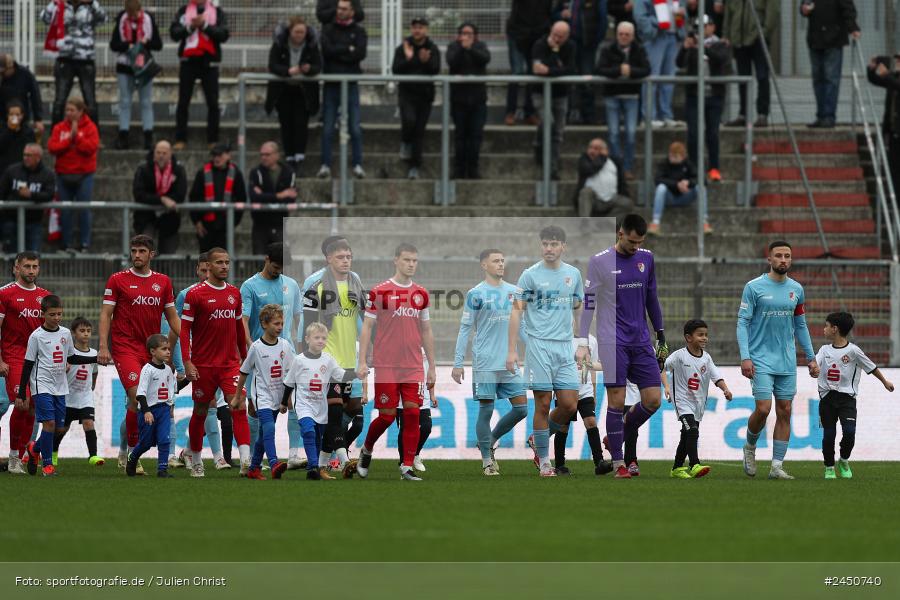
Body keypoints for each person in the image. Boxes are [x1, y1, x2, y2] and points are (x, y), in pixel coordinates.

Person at [577, 214, 666, 479]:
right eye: (631, 241)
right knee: (616, 400)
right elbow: (589, 302)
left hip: (641, 340)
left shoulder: (646, 258)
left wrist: (660, 334)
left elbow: (652, 296)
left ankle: (618, 433)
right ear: (620, 233)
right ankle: (619, 463)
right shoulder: (599, 261)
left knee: (653, 400)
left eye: (640, 242)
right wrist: (583, 341)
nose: (635, 247)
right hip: (611, 339)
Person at [737, 240, 818, 480]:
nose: (784, 260)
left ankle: (776, 466)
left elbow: (800, 325)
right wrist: (745, 357)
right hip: (760, 359)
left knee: (785, 410)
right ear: (769, 259)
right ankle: (750, 448)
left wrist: (811, 358)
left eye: (787, 256)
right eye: (779, 256)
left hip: (786, 360)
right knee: (763, 409)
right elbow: (742, 323)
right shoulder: (753, 287)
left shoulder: (797, 289)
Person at [355, 243, 436, 481]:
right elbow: (367, 326)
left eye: (414, 260)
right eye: (407, 260)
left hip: (412, 365)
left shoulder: (421, 293)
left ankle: (406, 466)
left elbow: (427, 329)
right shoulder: (380, 292)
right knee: (387, 416)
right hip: (386, 364)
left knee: (412, 414)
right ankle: (366, 449)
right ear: (396, 260)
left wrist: (431, 366)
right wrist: (362, 361)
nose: (411, 264)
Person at [99, 235, 179, 475]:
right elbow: (105, 314)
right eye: (133, 250)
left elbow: (173, 317)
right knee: (137, 398)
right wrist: (104, 346)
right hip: (125, 348)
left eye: (142, 251)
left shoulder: (163, 282)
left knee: (140, 407)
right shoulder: (118, 280)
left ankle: (125, 451)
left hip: (151, 350)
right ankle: (135, 454)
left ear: (151, 254)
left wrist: (188, 341)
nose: (136, 255)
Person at [506, 226, 583, 477]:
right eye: (545, 244)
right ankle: (545, 460)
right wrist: (512, 350)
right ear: (541, 246)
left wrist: (580, 340)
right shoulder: (530, 275)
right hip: (539, 345)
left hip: (564, 346)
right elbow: (516, 311)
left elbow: (579, 306)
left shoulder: (573, 274)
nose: (549, 249)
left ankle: (536, 440)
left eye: (554, 244)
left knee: (570, 405)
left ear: (563, 247)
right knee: (543, 404)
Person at [452, 249, 529, 477]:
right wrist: (458, 363)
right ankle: (486, 459)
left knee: (521, 408)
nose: (501, 264)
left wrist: (534, 349)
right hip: (485, 361)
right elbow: (465, 328)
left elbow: (521, 326)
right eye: (496, 261)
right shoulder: (476, 294)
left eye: (503, 260)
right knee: (486, 410)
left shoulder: (515, 291)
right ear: (484, 265)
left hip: (509, 361)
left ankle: (490, 441)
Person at [180, 247, 252, 477]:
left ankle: (246, 461)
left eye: (227, 262)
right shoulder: (195, 295)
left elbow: (240, 329)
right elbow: (184, 332)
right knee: (201, 410)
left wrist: (245, 358)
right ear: (208, 266)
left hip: (230, 364)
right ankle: (197, 460)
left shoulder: (234, 293)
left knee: (239, 405)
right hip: (203, 366)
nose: (224, 266)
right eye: (219, 262)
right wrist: (187, 362)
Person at [161, 252, 233, 470]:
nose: (205, 274)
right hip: (190, 359)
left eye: (207, 270)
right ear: (199, 270)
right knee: (172, 406)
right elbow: (176, 329)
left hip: (213, 360)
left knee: (208, 406)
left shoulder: (226, 293)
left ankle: (201, 454)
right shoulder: (187, 295)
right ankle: (177, 454)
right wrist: (176, 360)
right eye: (202, 270)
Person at [300, 238, 365, 476]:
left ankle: (320, 464)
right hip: (326, 360)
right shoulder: (316, 286)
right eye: (340, 257)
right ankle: (344, 458)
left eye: (348, 256)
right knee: (335, 412)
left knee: (346, 412)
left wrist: (363, 306)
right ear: (328, 258)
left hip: (350, 358)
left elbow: (369, 319)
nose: (345, 260)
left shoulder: (355, 281)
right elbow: (307, 326)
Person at [241, 243, 304, 469]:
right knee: (256, 409)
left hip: (287, 355)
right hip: (261, 357)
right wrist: (251, 346)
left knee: (295, 402)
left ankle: (294, 454)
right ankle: (251, 458)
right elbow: (244, 320)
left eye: (282, 268)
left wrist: (302, 347)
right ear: (266, 259)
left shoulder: (291, 285)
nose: (278, 271)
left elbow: (299, 318)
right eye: (276, 266)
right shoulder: (250, 286)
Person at [816, 312, 895, 480]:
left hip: (847, 400)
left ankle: (843, 460)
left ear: (835, 329)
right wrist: (813, 369)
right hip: (827, 399)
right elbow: (815, 364)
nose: (824, 329)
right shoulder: (824, 350)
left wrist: (884, 381)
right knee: (829, 435)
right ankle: (829, 467)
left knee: (849, 432)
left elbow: (871, 367)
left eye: (827, 326)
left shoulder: (853, 351)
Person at [17, 295, 81, 476]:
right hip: (41, 384)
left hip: (60, 386)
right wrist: (23, 390)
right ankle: (47, 466)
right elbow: (28, 363)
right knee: (50, 424)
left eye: (59, 314)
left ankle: (34, 449)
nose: (57, 318)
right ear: (42, 314)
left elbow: (72, 357)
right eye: (52, 314)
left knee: (58, 428)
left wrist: (95, 358)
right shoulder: (36, 336)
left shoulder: (66, 333)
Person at [0, 252, 51, 475]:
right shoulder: (5, 294)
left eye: (35, 267)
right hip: (14, 356)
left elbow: (49, 331)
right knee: (22, 402)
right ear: (16, 268)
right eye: (27, 266)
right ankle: (12, 457)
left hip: (39, 359)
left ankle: (21, 456)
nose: (31, 270)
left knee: (32, 407)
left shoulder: (44, 296)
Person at [283, 322, 356, 479]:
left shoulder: (328, 360)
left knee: (317, 437)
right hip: (303, 405)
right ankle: (312, 467)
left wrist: (357, 374)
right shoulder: (299, 360)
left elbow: (342, 375)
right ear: (307, 339)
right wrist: (284, 402)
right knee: (308, 432)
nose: (321, 341)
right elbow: (289, 383)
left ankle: (315, 468)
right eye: (317, 337)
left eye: (324, 338)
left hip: (320, 407)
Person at [662, 319, 732, 479]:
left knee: (686, 435)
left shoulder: (706, 358)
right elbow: (661, 367)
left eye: (706, 335)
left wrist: (726, 389)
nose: (704, 338)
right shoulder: (679, 356)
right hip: (682, 401)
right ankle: (694, 464)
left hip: (698, 404)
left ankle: (677, 468)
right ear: (688, 337)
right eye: (700, 335)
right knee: (692, 430)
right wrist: (666, 386)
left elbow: (716, 377)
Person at [238, 304, 295, 480]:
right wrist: (238, 395)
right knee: (269, 428)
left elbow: (291, 373)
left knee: (264, 434)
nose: (280, 327)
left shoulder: (285, 345)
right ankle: (274, 463)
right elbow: (244, 371)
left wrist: (288, 398)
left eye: (281, 323)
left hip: (278, 396)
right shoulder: (256, 347)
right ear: (264, 324)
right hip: (261, 396)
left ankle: (254, 468)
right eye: (276, 324)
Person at [127, 334, 189, 477]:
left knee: (164, 439)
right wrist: (146, 411)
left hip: (164, 410)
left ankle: (162, 469)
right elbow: (140, 394)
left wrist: (188, 380)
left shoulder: (168, 370)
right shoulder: (147, 369)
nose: (168, 351)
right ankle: (132, 458)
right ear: (153, 351)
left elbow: (175, 388)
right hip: (148, 411)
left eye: (168, 348)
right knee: (145, 443)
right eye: (164, 349)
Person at [552, 333, 614, 475]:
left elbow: (591, 367)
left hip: (585, 391)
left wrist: (593, 391)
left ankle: (599, 462)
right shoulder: (561, 337)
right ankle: (560, 465)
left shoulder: (592, 340)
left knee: (591, 422)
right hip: (565, 390)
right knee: (563, 428)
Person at [677, 15, 730, 181]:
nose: (702, 30)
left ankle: (713, 168)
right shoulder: (692, 46)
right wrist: (685, 48)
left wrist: (703, 47)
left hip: (714, 96)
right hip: (694, 96)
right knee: (693, 134)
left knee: (712, 133)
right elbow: (679, 63)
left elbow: (720, 59)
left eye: (705, 26)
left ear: (712, 27)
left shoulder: (721, 44)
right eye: (698, 26)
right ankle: (694, 169)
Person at [170, 0, 230, 149]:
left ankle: (212, 140)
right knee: (183, 102)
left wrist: (204, 26)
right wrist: (191, 27)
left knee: (213, 103)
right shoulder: (183, 11)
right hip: (188, 62)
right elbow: (174, 33)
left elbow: (223, 34)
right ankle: (180, 138)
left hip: (209, 63)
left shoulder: (217, 11)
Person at [266, 16, 322, 173]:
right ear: (290, 31)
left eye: (302, 32)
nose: (299, 35)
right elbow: (272, 64)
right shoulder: (280, 44)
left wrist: (308, 69)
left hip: (303, 91)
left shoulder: (311, 45)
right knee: (286, 124)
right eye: (296, 32)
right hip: (284, 90)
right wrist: (287, 71)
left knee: (300, 124)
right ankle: (289, 156)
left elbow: (318, 65)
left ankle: (299, 157)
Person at [318, 0, 367, 180]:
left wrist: (341, 52)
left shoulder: (359, 31)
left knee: (355, 127)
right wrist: (347, 49)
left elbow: (360, 54)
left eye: (345, 9)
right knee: (328, 128)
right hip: (332, 84)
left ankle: (357, 164)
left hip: (351, 83)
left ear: (352, 12)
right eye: (339, 8)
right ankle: (325, 164)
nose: (341, 12)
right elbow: (327, 51)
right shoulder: (328, 29)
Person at [595, 21, 650, 179]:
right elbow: (600, 69)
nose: (623, 37)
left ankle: (627, 167)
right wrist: (618, 71)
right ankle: (616, 168)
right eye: (621, 34)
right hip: (612, 95)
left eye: (627, 34)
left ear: (632, 36)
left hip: (632, 96)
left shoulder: (639, 49)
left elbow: (646, 69)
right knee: (613, 134)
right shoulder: (608, 49)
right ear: (616, 34)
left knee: (631, 134)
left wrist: (631, 71)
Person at [41, 0, 107, 125]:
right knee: (60, 100)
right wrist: (54, 3)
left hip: (85, 59)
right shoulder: (60, 5)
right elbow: (45, 18)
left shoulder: (90, 6)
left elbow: (103, 18)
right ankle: (56, 136)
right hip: (64, 59)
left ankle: (94, 137)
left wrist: (92, 3)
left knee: (90, 100)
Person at [47, 97, 99, 253]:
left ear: (80, 111)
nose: (69, 113)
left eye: (72, 110)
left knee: (84, 209)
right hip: (63, 174)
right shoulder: (59, 128)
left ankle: (85, 244)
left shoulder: (90, 127)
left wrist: (77, 138)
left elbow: (91, 148)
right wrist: (70, 139)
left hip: (84, 175)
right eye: (67, 110)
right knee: (65, 210)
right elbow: (52, 147)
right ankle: (66, 244)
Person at [109, 0, 163, 150]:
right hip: (124, 66)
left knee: (146, 102)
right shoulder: (121, 19)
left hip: (143, 66)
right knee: (125, 102)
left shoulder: (148, 19)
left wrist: (146, 42)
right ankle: (123, 136)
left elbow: (158, 44)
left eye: (135, 13)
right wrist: (128, 46)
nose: (133, 16)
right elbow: (114, 44)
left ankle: (148, 137)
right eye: (130, 14)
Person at [392, 17, 440, 180]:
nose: (417, 30)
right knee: (409, 121)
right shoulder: (403, 48)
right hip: (407, 94)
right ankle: (405, 141)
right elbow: (395, 70)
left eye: (420, 27)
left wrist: (424, 61)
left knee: (419, 132)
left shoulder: (432, 48)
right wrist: (410, 58)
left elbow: (435, 69)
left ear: (426, 29)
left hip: (425, 96)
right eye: (414, 27)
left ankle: (414, 167)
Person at [52, 315, 102, 467]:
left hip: (85, 397)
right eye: (82, 330)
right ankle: (53, 453)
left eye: (88, 330)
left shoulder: (94, 353)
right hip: (67, 398)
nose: (86, 333)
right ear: (74, 333)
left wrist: (92, 385)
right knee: (61, 429)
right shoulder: (68, 352)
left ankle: (93, 456)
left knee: (88, 423)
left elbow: (94, 371)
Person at [801, 0, 860, 129]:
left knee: (830, 78)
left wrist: (852, 27)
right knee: (818, 79)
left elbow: (848, 8)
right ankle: (821, 116)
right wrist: (804, 9)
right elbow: (804, 5)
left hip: (833, 39)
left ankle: (828, 116)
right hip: (815, 40)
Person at [531, 21, 576, 180]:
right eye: (555, 34)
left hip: (561, 94)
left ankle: (553, 167)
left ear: (567, 36)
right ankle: (538, 145)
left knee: (558, 132)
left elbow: (570, 70)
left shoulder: (570, 46)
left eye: (560, 37)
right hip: (540, 92)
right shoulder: (540, 44)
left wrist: (551, 66)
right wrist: (556, 64)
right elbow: (537, 69)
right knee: (548, 122)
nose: (556, 39)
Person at [723, 0, 778, 128]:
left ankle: (762, 114)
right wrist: (727, 34)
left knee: (762, 76)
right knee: (742, 78)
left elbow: (773, 12)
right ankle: (743, 114)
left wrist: (764, 33)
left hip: (758, 39)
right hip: (739, 40)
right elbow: (728, 14)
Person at [446, 23, 491, 180]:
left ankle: (473, 167)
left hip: (478, 99)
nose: (466, 36)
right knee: (460, 135)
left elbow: (485, 59)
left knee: (476, 135)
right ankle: (459, 168)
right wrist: (462, 48)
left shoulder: (480, 46)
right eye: (463, 33)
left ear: (475, 35)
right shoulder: (453, 47)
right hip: (459, 99)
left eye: (469, 33)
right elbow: (452, 62)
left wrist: (470, 48)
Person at [634, 0, 686, 127]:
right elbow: (640, 16)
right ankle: (649, 117)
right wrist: (654, 26)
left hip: (673, 37)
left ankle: (666, 115)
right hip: (656, 37)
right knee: (652, 77)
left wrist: (681, 17)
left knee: (669, 79)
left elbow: (683, 12)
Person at [555, 0, 607, 125]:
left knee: (587, 80)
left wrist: (595, 41)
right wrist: (561, 15)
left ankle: (589, 116)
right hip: (567, 45)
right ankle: (564, 116)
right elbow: (554, 14)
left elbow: (603, 19)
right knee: (566, 79)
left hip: (587, 44)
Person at [132, 140, 187, 255]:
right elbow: (139, 194)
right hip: (146, 217)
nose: (161, 156)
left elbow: (180, 194)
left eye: (164, 153)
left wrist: (165, 200)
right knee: (144, 250)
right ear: (154, 153)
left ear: (170, 154)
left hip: (170, 218)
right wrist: (162, 199)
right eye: (158, 153)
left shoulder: (178, 170)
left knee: (168, 255)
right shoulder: (143, 168)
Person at [189, 143, 246, 252]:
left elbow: (241, 199)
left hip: (226, 225)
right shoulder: (202, 172)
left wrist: (233, 223)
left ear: (228, 155)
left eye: (220, 155)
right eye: (214, 155)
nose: (216, 158)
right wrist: (197, 222)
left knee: (223, 260)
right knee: (206, 261)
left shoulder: (236, 173)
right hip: (206, 226)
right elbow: (194, 197)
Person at [0, 144, 55, 254]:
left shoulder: (47, 174)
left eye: (29, 155)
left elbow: (49, 194)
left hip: (34, 222)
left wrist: (31, 195)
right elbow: (2, 191)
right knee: (11, 256)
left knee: (31, 258)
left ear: (38, 157)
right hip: (11, 221)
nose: (25, 158)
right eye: (24, 155)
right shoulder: (12, 171)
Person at [504, 0, 552, 126]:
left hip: (537, 35)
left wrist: (544, 32)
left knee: (533, 73)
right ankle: (510, 112)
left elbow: (548, 12)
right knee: (517, 72)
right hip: (517, 33)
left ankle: (529, 112)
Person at [649, 141, 707, 235]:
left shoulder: (688, 164)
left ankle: (704, 221)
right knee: (661, 188)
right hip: (669, 197)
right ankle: (655, 222)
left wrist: (688, 183)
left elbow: (702, 179)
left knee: (700, 188)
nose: (672, 158)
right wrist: (676, 184)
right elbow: (658, 179)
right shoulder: (664, 163)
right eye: (671, 155)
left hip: (686, 196)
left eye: (675, 156)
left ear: (682, 157)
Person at [248, 142, 295, 254]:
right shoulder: (256, 172)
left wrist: (264, 195)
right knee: (259, 263)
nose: (263, 157)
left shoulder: (288, 172)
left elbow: (290, 200)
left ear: (276, 155)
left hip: (279, 223)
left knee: (280, 262)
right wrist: (280, 195)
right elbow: (254, 198)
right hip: (260, 223)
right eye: (262, 154)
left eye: (267, 154)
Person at [575, 138, 633, 219]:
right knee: (585, 192)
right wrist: (602, 157)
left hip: (611, 198)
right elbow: (589, 170)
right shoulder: (584, 159)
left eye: (596, 148)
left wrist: (603, 156)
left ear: (605, 150)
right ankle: (585, 225)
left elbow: (622, 182)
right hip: (593, 199)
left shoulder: (614, 161)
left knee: (627, 203)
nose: (592, 150)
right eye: (590, 147)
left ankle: (604, 224)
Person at [868, 54, 900, 194]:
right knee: (894, 170)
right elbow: (876, 80)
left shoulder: (893, 79)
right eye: (898, 59)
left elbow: (894, 84)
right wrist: (872, 69)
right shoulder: (894, 77)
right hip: (894, 133)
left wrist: (887, 75)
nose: (898, 62)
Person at [396, 355, 435, 472]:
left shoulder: (427, 351)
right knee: (404, 429)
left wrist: (432, 395)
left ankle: (415, 454)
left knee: (426, 427)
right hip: (403, 397)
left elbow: (430, 375)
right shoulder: (401, 346)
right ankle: (403, 462)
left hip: (423, 396)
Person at [0, 55, 45, 138]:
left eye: (3, 72)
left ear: (11, 67)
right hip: (3, 118)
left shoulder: (25, 74)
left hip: (22, 117)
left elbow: (35, 96)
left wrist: (38, 119)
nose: (1, 74)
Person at [0, 101, 36, 175]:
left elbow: (32, 149)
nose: (14, 117)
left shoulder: (28, 131)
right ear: (7, 115)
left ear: (22, 115)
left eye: (17, 114)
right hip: (4, 171)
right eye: (11, 114)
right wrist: (9, 130)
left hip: (22, 171)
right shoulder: (2, 129)